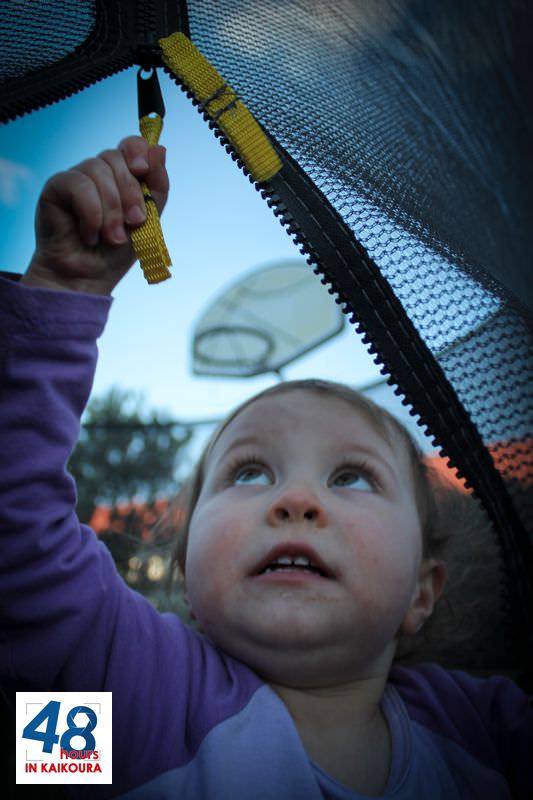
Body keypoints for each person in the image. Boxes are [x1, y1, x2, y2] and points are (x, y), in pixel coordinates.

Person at [0, 136, 531, 800]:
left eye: (352, 477)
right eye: (249, 472)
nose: (297, 499)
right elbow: (17, 542)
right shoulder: (128, 691)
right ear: (186, 572)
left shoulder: (485, 730)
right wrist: (64, 292)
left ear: (422, 592)